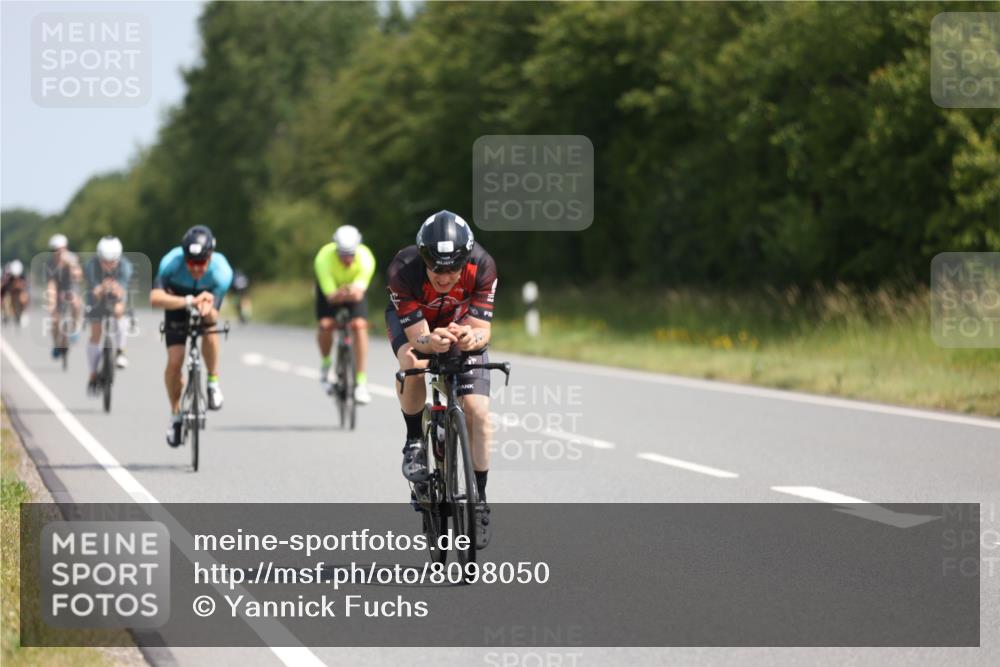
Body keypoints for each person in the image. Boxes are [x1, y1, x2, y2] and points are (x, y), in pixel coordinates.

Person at [385, 210, 498, 547]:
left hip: (459, 324)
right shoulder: (403, 270)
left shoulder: (483, 266)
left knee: (478, 413)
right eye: (437, 269)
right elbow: (418, 338)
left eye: (453, 269)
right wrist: (429, 342)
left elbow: (483, 333)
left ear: (465, 261)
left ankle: (479, 499)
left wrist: (469, 338)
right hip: (417, 325)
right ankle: (415, 441)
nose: (445, 278)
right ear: (424, 260)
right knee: (412, 361)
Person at [150, 225, 233, 447]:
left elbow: (214, 312)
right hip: (177, 304)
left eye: (201, 263)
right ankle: (176, 415)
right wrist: (188, 301)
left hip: (206, 303)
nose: (196, 269)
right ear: (184, 257)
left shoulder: (222, 271)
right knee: (175, 361)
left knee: (210, 325)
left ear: (210, 257)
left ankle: (213, 382)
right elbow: (155, 298)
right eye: (191, 263)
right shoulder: (171, 262)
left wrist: (205, 308)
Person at [314, 224, 376, 404]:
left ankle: (361, 382)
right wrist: (340, 294)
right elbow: (330, 296)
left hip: (352, 291)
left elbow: (358, 293)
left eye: (351, 255)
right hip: (331, 292)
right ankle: (326, 366)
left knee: (359, 326)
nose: (347, 259)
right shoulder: (323, 258)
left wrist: (350, 292)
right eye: (342, 255)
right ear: (336, 250)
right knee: (326, 325)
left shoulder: (366, 258)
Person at [83, 236, 134, 394]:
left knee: (119, 311)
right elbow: (95, 292)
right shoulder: (91, 266)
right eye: (104, 261)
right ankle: (92, 373)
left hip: (116, 296)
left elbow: (121, 291)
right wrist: (102, 289)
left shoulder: (126, 266)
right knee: (96, 333)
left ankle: (121, 351)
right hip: (96, 297)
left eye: (112, 261)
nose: (109, 265)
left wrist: (112, 289)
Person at [45, 234, 83, 358]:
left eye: (62, 249)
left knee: (76, 304)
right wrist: (51, 302)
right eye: (55, 251)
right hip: (57, 291)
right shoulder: (50, 265)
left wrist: (71, 265)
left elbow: (78, 276)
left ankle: (75, 328)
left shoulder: (72, 258)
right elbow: (51, 284)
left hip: (71, 288)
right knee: (55, 319)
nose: (59, 253)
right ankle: (56, 344)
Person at [1, 259, 29, 325]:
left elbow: (25, 288)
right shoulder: (10, 278)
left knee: (24, 297)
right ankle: (5, 315)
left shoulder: (23, 277)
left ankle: (23, 314)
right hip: (10, 295)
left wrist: (20, 287)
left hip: (19, 295)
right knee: (6, 300)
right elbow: (5, 289)